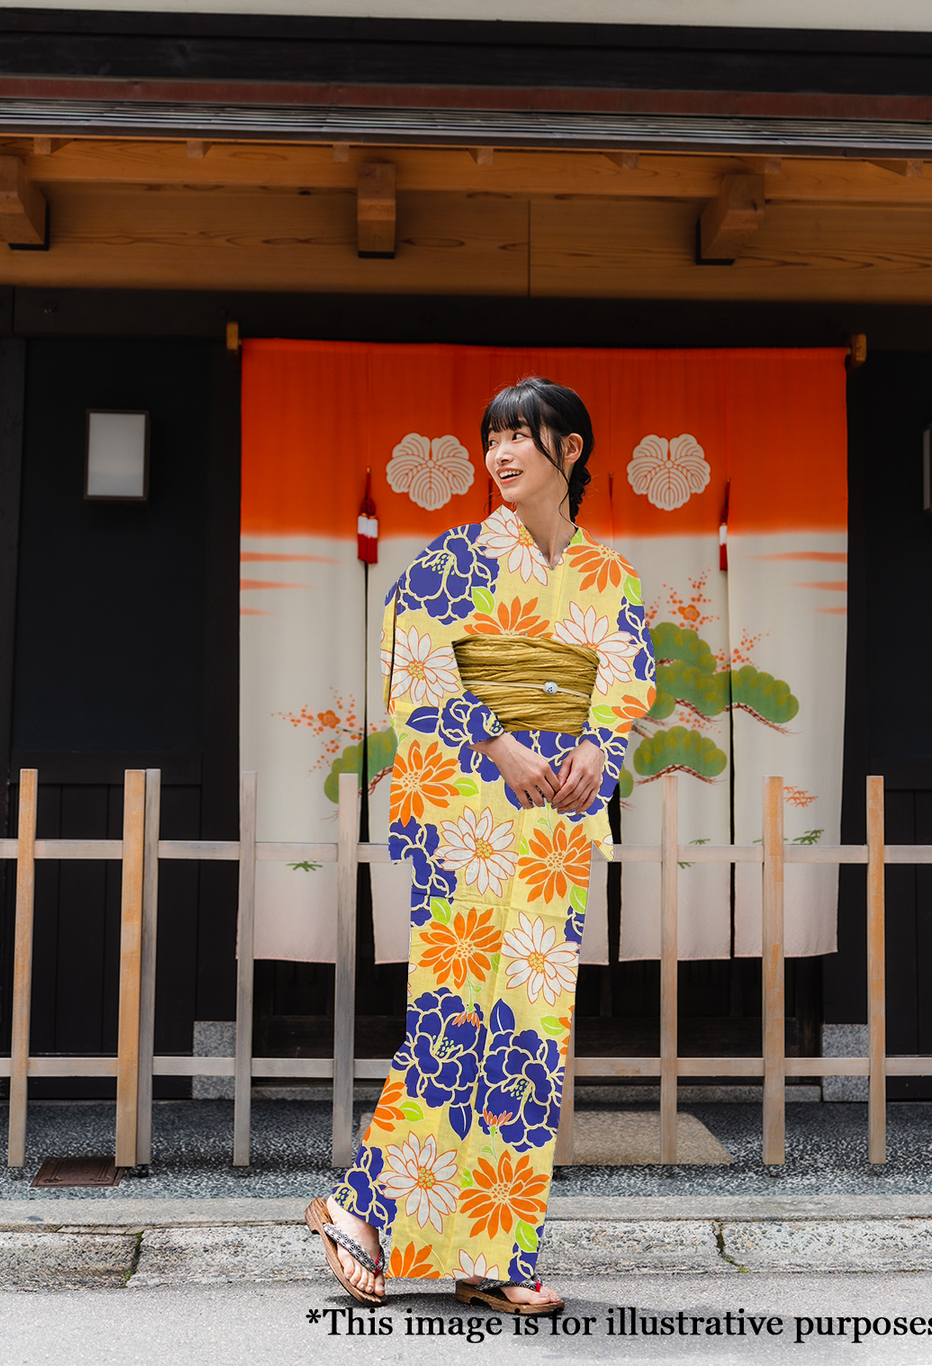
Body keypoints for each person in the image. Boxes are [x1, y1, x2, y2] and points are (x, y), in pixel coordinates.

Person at [306, 377, 656, 1313]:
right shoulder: (447, 562)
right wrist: (497, 741)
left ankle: (493, 1252)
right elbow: (411, 667)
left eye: (521, 438)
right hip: (464, 810)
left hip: (551, 830)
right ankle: (362, 1208)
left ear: (570, 451)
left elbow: (627, 682)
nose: (501, 455)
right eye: (492, 439)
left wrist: (597, 747)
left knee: (531, 1034)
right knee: (454, 1017)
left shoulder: (611, 577)